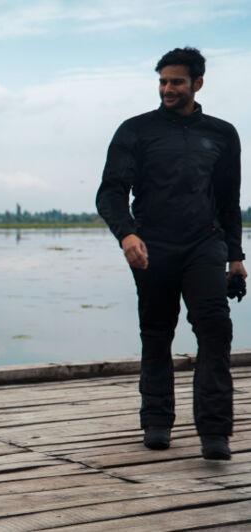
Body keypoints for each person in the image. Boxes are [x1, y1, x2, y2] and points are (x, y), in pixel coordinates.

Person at [95, 47, 244, 460]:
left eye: (176, 81)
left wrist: (236, 255)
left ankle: (215, 433)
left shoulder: (222, 133)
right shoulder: (135, 131)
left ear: (197, 83)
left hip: (205, 243)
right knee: (156, 333)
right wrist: (126, 235)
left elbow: (229, 199)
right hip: (152, 246)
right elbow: (110, 193)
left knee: (215, 329)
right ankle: (156, 422)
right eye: (162, 81)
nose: (167, 89)